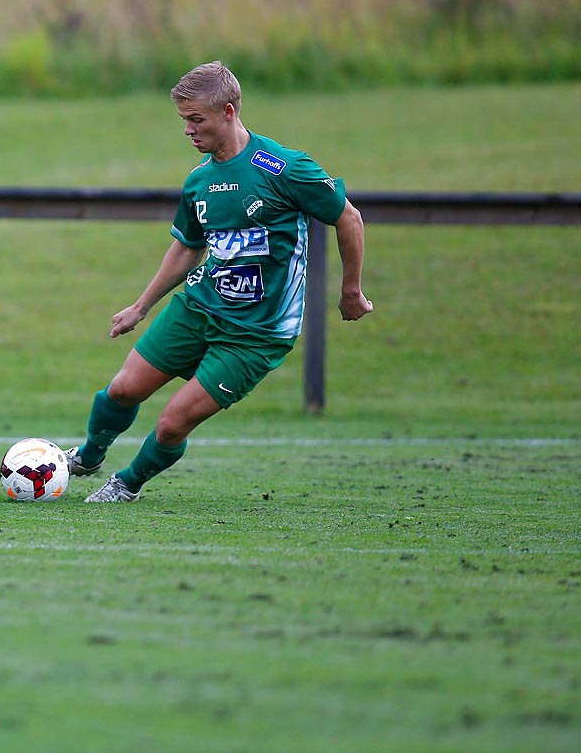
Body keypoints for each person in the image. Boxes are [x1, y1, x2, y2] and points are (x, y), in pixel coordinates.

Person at [66, 60, 372, 503]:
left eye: (197, 120)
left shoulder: (284, 168)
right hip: (198, 308)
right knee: (122, 389)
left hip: (256, 334)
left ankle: (126, 484)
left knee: (172, 422)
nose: (188, 130)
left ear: (229, 112)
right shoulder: (199, 181)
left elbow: (349, 217)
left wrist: (350, 290)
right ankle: (89, 456)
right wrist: (141, 305)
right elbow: (189, 248)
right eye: (183, 121)